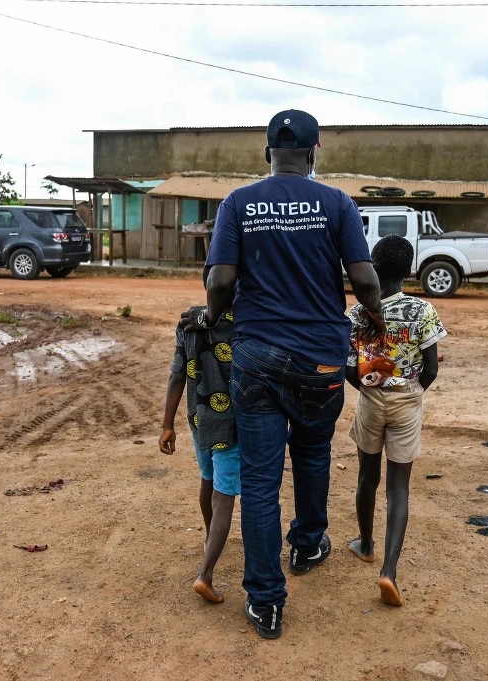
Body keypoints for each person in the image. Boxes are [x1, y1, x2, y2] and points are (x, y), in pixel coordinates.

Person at [198, 109, 382, 639]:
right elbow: (365, 279)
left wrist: (213, 318)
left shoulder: (239, 203)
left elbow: (221, 279)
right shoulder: (337, 203)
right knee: (312, 453)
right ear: (315, 151)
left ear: (267, 154)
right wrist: (374, 317)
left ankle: (266, 600)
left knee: (259, 478)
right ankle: (307, 544)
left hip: (255, 356)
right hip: (322, 359)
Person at [344, 235, 444, 607]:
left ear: (371, 268)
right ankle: (389, 571)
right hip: (407, 401)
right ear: (410, 269)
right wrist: (413, 391)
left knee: (366, 476)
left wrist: (369, 388)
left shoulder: (356, 313)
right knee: (398, 486)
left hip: (371, 401)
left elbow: (348, 368)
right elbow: (431, 369)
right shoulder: (423, 310)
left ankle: (365, 544)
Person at [159, 267, 240, 604]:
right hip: (231, 423)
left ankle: (211, 538)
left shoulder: (188, 322)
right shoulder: (243, 323)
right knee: (225, 496)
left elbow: (177, 376)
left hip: (198, 418)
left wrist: (167, 424)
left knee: (207, 481)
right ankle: (205, 574)